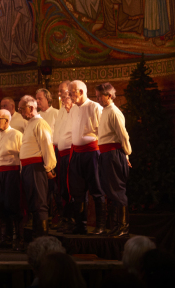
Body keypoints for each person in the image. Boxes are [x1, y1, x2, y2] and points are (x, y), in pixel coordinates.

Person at [95, 82, 132, 237]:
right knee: (110, 190)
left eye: (99, 96)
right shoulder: (105, 111)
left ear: (109, 95)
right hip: (105, 154)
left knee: (117, 190)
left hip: (113, 154)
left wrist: (126, 154)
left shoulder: (114, 112)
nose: (98, 99)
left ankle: (123, 226)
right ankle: (116, 225)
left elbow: (123, 135)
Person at [68, 80, 104, 235]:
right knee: (78, 192)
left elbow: (102, 132)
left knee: (97, 189)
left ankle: (100, 225)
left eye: (71, 92)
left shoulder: (95, 107)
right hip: (77, 154)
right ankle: (80, 226)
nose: (69, 96)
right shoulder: (73, 109)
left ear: (81, 91)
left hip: (92, 154)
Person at [18, 95, 57, 239]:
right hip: (29, 168)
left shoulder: (40, 123)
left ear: (31, 107)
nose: (20, 112)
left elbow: (47, 146)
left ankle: (42, 238)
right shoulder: (30, 123)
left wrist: (49, 168)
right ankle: (36, 237)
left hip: (37, 168)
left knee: (40, 202)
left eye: (22, 109)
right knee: (33, 202)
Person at [0, 109, 23, 251]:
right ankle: (6, 239)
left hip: (11, 173)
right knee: (1, 205)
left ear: (7, 120)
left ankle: (18, 240)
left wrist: (20, 175)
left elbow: (22, 155)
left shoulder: (17, 134)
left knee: (13, 205)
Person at [53, 81, 77, 233]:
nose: (60, 94)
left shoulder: (75, 109)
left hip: (71, 153)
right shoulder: (61, 110)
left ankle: (73, 220)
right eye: (60, 92)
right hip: (60, 153)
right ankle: (65, 218)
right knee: (62, 188)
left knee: (71, 188)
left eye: (63, 91)